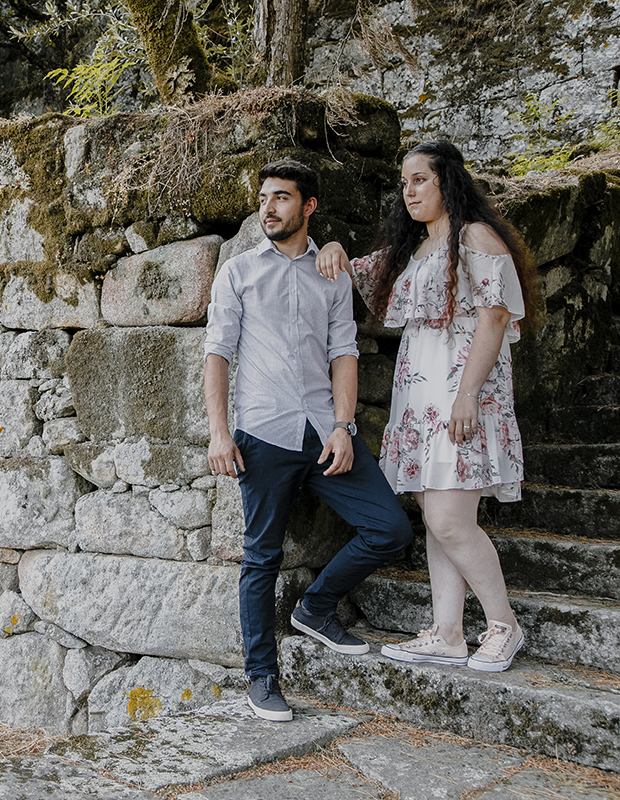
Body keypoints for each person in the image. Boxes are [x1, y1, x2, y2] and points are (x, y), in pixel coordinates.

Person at [316, 140, 539, 673]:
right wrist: (331, 245)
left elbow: (495, 318)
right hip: (421, 399)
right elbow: (349, 271)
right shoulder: (415, 250)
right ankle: (447, 632)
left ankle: (504, 625)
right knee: (438, 520)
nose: (408, 190)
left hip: (463, 396)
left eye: (420, 179)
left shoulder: (474, 237)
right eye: (403, 182)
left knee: (449, 519)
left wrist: (467, 394)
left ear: (448, 182)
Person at [204, 159, 413, 723]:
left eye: (281, 198)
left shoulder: (331, 272)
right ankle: (261, 679)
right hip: (264, 434)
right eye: (264, 197)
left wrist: (345, 426)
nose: (268, 208)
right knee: (261, 558)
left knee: (390, 528)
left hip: (324, 431)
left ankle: (316, 607)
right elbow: (217, 353)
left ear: (309, 206)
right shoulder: (239, 271)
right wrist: (219, 432)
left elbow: (344, 350)